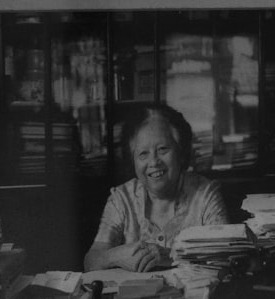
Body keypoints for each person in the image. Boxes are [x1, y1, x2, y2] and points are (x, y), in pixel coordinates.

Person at [84, 105, 228, 272]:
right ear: (133, 161)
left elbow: (226, 257)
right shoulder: (121, 198)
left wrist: (172, 256)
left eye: (162, 150)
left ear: (180, 153)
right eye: (143, 154)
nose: (153, 162)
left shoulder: (206, 194)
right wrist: (116, 255)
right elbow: (90, 263)